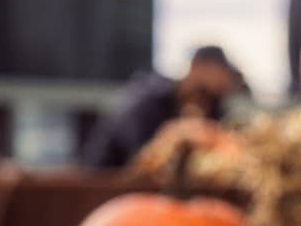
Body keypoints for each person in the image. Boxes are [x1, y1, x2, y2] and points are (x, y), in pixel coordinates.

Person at [83, 46, 243, 169]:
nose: (223, 81)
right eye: (218, 72)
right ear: (197, 66)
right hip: (107, 183)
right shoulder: (147, 98)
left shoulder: (216, 108)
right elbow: (137, 155)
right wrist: (176, 135)